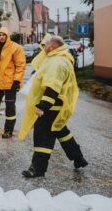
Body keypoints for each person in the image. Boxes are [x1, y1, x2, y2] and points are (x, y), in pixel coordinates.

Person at [19, 36, 88, 178]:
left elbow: (52, 88)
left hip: (50, 106)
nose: (43, 47)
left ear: (52, 47)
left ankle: (37, 169)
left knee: (43, 137)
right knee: (61, 131)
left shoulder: (56, 62)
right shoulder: (59, 58)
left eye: (46, 44)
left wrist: (43, 106)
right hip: (57, 106)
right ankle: (78, 158)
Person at [0, 27, 26, 138]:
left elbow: (20, 66)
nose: (1, 37)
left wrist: (17, 81)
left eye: (3, 35)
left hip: (10, 83)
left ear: (7, 36)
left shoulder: (16, 48)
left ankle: (8, 131)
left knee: (10, 107)